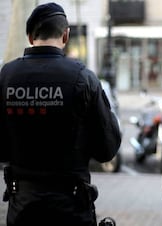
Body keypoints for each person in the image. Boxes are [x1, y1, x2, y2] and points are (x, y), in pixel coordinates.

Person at [0, 3, 121, 226]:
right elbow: (108, 148)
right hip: (71, 207)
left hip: (22, 208)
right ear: (65, 35)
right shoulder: (83, 77)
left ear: (29, 36)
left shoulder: (6, 76)